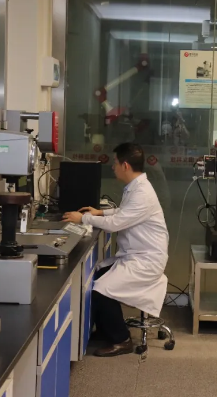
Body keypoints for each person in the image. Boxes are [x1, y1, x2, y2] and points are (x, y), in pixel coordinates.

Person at [62, 142, 169, 357]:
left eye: (115, 163)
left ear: (125, 165)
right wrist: (101, 213)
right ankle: (106, 330)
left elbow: (117, 223)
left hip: (146, 261)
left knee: (101, 289)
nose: (113, 167)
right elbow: (124, 212)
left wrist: (82, 218)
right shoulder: (136, 187)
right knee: (98, 275)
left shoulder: (142, 193)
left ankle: (122, 340)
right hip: (136, 255)